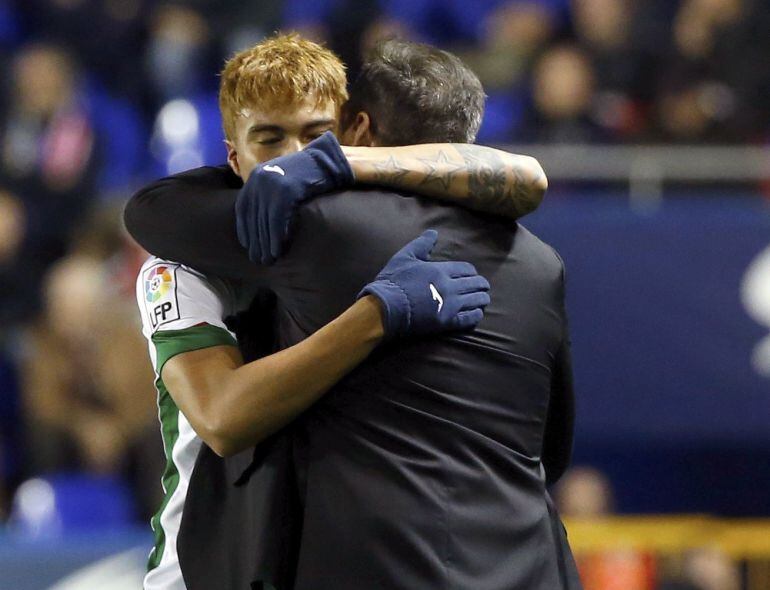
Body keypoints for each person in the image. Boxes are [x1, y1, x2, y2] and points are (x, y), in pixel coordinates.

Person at [126, 37, 579, 590]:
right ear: (233, 155)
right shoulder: (541, 263)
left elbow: (149, 209)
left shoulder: (322, 232)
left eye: (316, 138)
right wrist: (373, 317)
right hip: (203, 569)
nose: (295, 159)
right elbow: (222, 418)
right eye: (269, 139)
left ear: (352, 133)